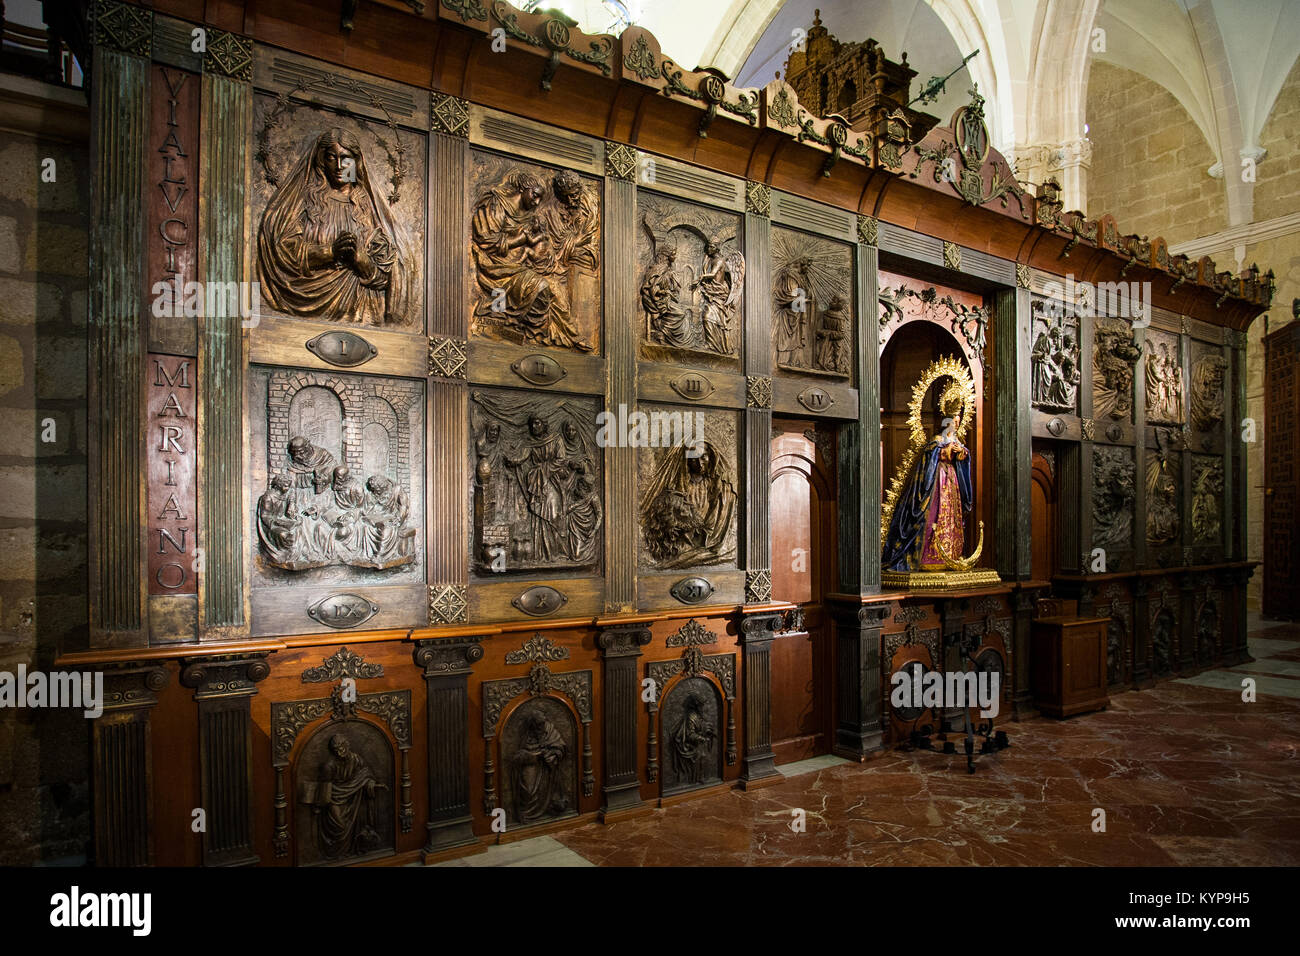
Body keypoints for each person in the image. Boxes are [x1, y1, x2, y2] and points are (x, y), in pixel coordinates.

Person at [257, 127, 411, 325]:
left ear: (357, 162)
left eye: (346, 158)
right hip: (306, 299)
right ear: (321, 160)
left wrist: (361, 260)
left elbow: (386, 274)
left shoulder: (369, 209)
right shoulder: (306, 199)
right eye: (331, 157)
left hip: (361, 309)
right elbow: (283, 250)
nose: (339, 166)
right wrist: (330, 252)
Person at [471, 170, 593, 351]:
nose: (536, 202)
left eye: (539, 198)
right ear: (522, 188)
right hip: (497, 267)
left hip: (521, 267)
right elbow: (486, 239)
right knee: (541, 287)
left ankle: (572, 336)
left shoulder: (530, 214)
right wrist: (520, 240)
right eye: (534, 195)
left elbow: (542, 242)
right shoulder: (496, 203)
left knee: (557, 291)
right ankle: (514, 322)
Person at [881, 382, 973, 571]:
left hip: (951, 480)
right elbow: (931, 456)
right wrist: (948, 450)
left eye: (959, 419)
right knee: (935, 514)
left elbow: (963, 458)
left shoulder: (958, 440)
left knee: (950, 518)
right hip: (937, 481)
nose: (957, 423)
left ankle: (951, 554)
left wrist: (962, 453)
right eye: (954, 420)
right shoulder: (937, 441)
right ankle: (931, 557)